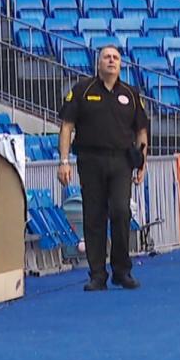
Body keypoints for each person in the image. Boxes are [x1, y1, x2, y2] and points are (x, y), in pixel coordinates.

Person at [57, 45, 150, 291]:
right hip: (90, 160)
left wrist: (142, 163)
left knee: (120, 211)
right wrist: (64, 161)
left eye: (116, 58)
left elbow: (141, 130)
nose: (111, 61)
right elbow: (66, 126)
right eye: (106, 57)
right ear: (98, 64)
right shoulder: (82, 90)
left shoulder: (131, 94)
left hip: (121, 161)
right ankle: (97, 274)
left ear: (121, 65)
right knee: (94, 216)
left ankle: (122, 270)